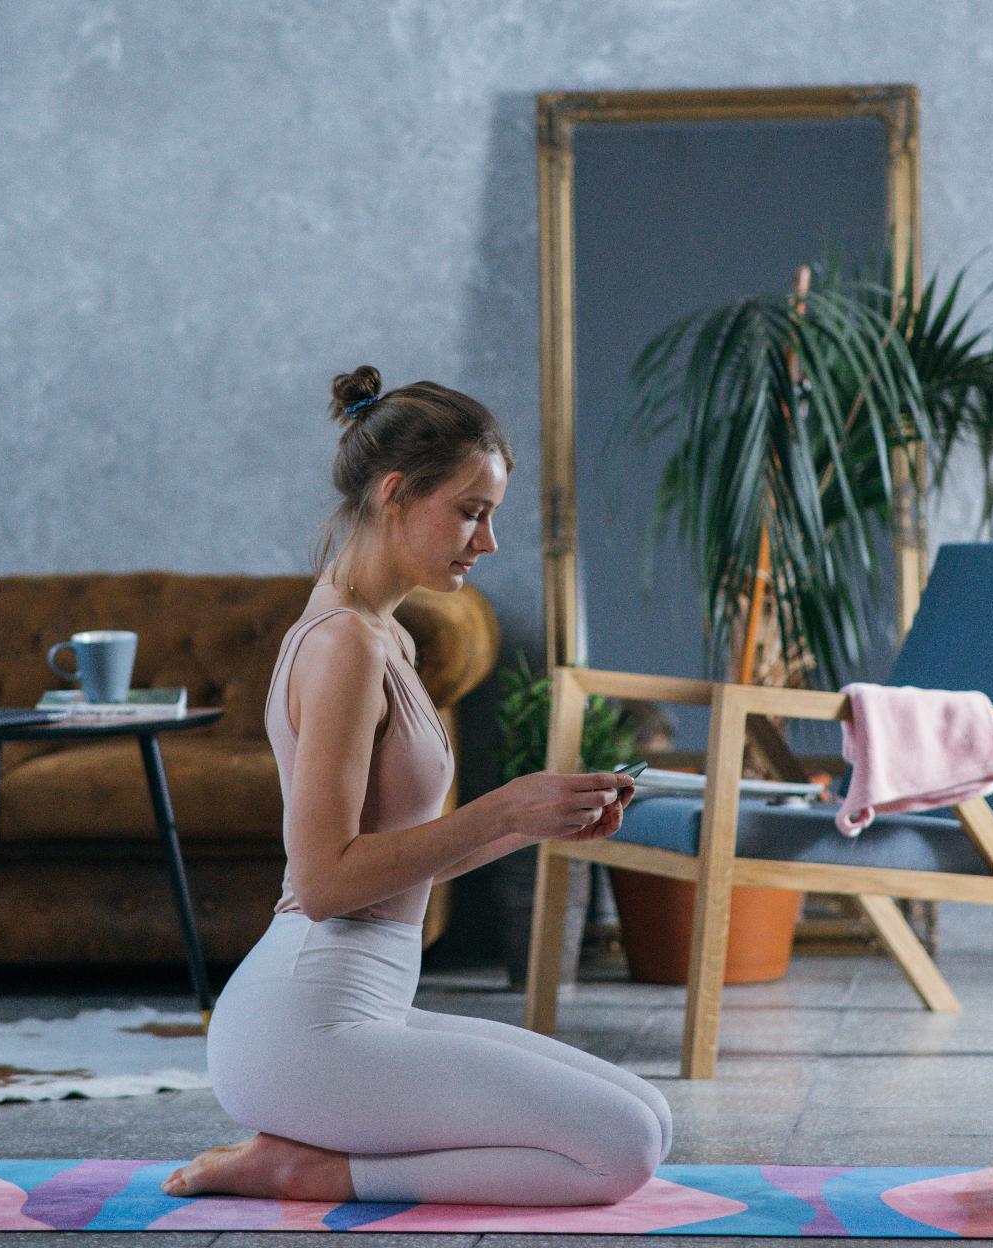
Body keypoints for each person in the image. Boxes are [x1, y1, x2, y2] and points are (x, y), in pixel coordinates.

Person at [160, 366, 671, 1207]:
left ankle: (305, 1155)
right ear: (395, 493)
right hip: (306, 1026)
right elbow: (325, 882)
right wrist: (501, 806)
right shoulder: (345, 647)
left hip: (359, 1010)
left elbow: (396, 861)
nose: (488, 540)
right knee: (622, 1151)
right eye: (471, 512)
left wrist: (534, 824)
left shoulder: (384, 636)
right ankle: (307, 1168)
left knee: (647, 1116)